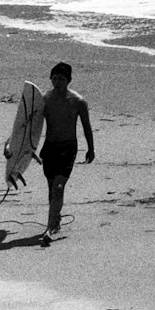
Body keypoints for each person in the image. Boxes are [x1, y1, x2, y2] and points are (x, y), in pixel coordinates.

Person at [34, 60, 94, 233]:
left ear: (69, 80)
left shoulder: (78, 101)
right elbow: (31, 126)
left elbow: (86, 127)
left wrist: (91, 148)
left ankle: (49, 227)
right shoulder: (45, 100)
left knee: (59, 187)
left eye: (61, 79)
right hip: (50, 147)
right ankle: (55, 220)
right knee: (52, 188)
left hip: (68, 148)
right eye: (54, 78)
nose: (57, 82)